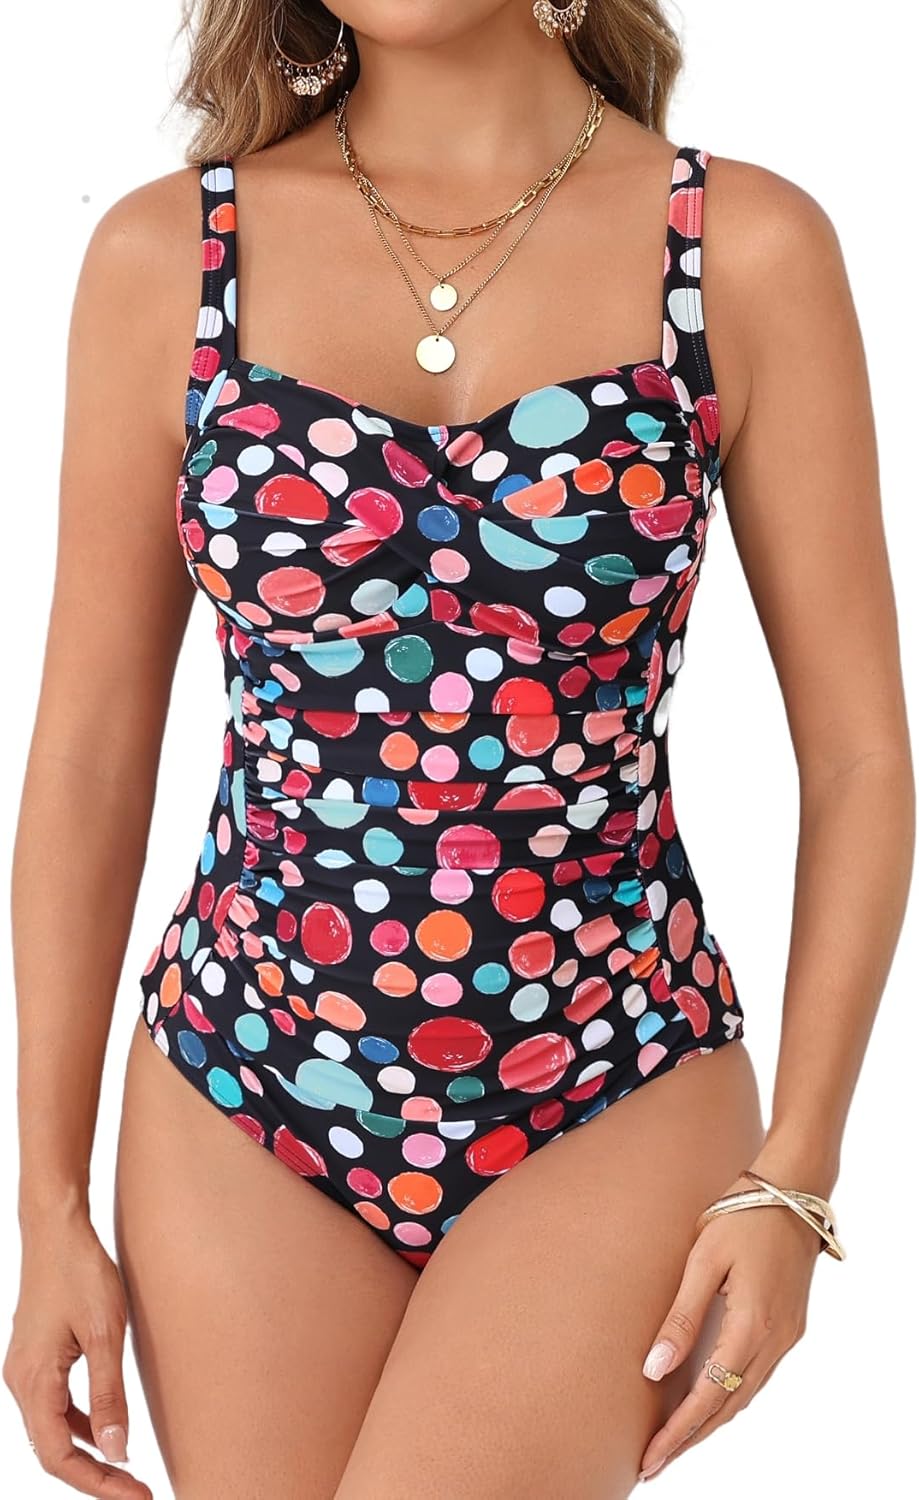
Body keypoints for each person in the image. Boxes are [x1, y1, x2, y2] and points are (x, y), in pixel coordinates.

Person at [3, 2, 913, 1496]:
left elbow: (863, 757)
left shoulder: (741, 249)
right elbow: (89, 754)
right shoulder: (167, 258)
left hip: (613, 1072)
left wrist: (796, 1174)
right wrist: (46, 1205)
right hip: (245, 1080)